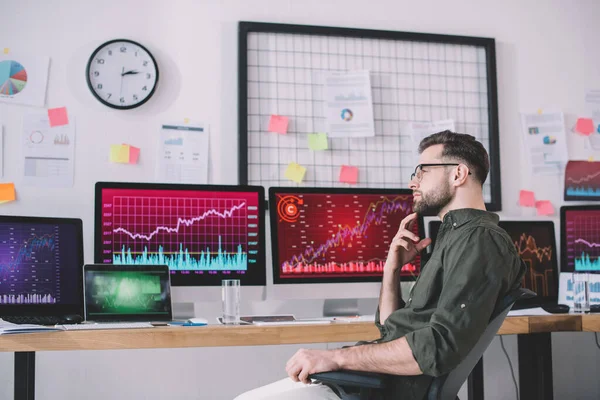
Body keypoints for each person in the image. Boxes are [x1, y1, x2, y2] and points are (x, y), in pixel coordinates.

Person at [235, 131, 526, 400]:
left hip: (386, 390)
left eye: (422, 171)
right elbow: (391, 328)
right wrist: (392, 269)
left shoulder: (479, 240)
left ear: (458, 174)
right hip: (372, 382)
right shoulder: (452, 235)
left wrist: (335, 357)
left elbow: (438, 347)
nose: (413, 182)